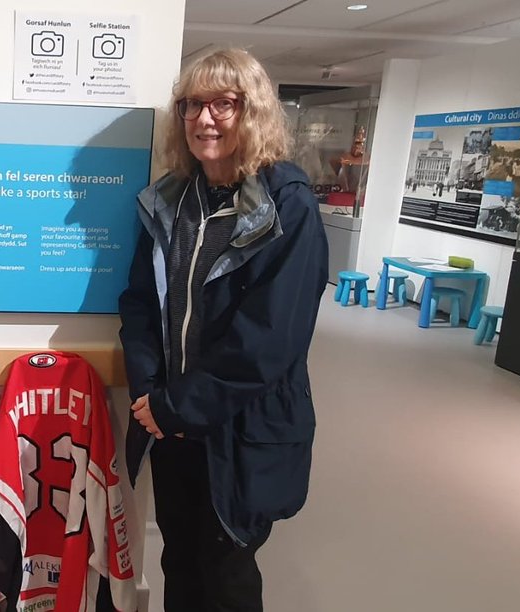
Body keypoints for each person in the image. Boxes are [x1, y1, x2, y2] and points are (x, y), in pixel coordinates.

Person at [118, 48, 328, 612]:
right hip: (169, 420)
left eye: (223, 104)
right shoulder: (171, 199)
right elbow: (139, 303)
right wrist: (148, 391)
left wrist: (179, 405)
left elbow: (270, 340)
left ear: (252, 111)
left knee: (228, 569)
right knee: (179, 560)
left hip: (238, 426)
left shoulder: (287, 204)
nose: (204, 119)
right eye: (193, 105)